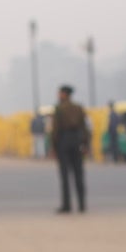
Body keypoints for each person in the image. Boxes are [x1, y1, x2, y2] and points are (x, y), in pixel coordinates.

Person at [51, 85, 89, 213]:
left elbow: (55, 130)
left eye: (60, 93)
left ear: (64, 94)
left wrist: (54, 147)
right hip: (77, 141)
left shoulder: (59, 108)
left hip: (64, 141)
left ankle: (66, 205)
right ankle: (82, 205)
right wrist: (86, 145)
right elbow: (85, 128)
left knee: (65, 176)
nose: (58, 95)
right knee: (79, 175)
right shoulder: (78, 108)